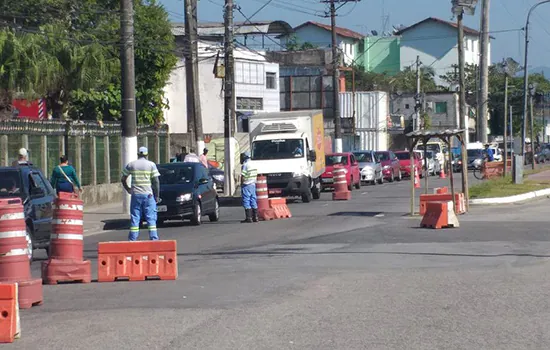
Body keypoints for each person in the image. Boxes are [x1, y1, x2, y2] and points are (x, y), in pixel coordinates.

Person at [121, 146, 161, 241]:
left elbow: (123, 179)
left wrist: (128, 189)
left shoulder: (132, 165)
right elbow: (156, 181)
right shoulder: (151, 165)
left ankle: (132, 239)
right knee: (151, 218)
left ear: (138, 154)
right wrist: (157, 196)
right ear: (147, 154)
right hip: (148, 195)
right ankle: (154, 239)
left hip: (136, 195)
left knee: (135, 217)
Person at [240, 151, 258, 223]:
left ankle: (249, 217)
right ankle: (255, 217)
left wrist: (241, 183)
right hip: (253, 184)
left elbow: (243, 175)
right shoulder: (253, 164)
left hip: (246, 184)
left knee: (246, 200)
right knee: (253, 200)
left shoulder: (245, 165)